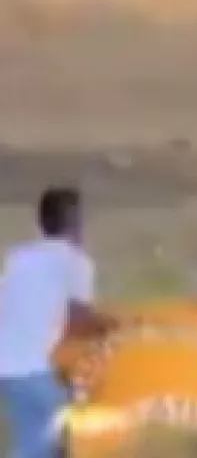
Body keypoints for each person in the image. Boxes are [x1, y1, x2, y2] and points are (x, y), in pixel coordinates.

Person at [0, 186, 115, 458]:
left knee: (46, 443)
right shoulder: (75, 262)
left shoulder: (18, 257)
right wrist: (114, 327)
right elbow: (79, 322)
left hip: (6, 366)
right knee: (43, 446)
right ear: (74, 222)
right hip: (36, 369)